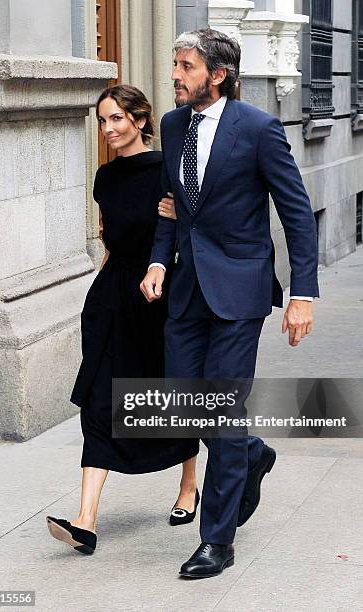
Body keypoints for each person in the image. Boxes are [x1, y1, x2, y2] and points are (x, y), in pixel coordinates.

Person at [141, 28, 319, 578]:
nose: (175, 74)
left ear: (217, 75)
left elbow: (295, 212)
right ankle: (252, 452)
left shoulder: (260, 129)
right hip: (186, 290)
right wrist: (155, 259)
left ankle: (216, 540)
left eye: (186, 66)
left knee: (220, 412)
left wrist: (303, 295)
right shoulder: (173, 126)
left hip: (240, 292)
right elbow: (173, 206)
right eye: (174, 63)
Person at [46, 85, 199, 555]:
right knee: (100, 399)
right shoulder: (105, 178)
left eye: (116, 119)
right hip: (111, 299)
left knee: (169, 394)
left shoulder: (168, 171)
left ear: (139, 119)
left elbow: (189, 233)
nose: (109, 129)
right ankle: (86, 518)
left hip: (156, 300)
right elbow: (111, 240)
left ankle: (189, 485)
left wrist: (178, 218)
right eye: (102, 121)